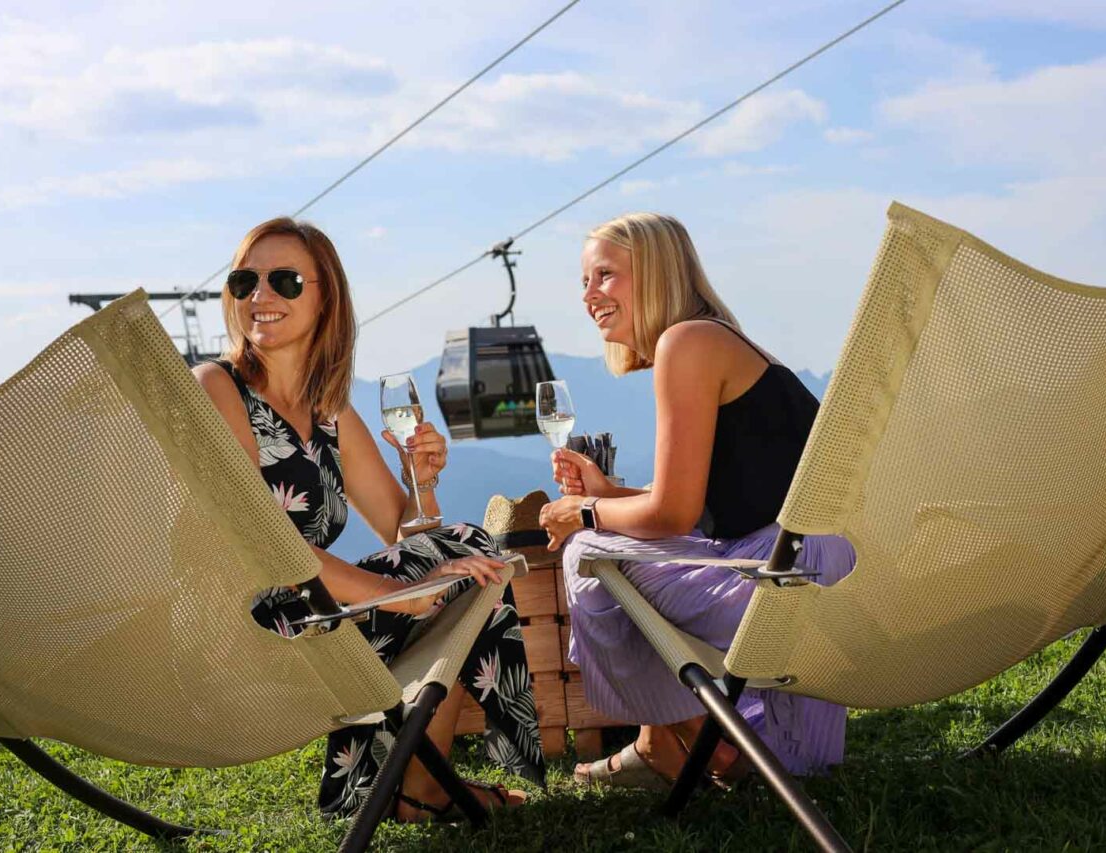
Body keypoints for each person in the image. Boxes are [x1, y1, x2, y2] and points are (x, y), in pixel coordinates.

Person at [193, 217, 543, 820]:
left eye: (284, 280)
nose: (260, 295)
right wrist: (392, 594)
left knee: (464, 556)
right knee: (461, 559)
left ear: (326, 296)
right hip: (244, 627)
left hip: (315, 612)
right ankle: (428, 782)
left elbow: (405, 531)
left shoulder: (329, 410)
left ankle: (414, 787)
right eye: (245, 280)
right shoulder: (217, 386)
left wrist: (421, 482)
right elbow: (260, 544)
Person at [538, 212, 856, 789]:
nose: (589, 296)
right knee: (612, 542)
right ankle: (663, 741)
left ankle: (701, 744)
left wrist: (583, 511)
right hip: (815, 568)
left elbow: (671, 517)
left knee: (588, 554)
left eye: (604, 275)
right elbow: (715, 501)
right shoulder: (716, 339)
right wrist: (613, 495)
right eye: (585, 282)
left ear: (655, 272)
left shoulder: (687, 342)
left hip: (788, 576)